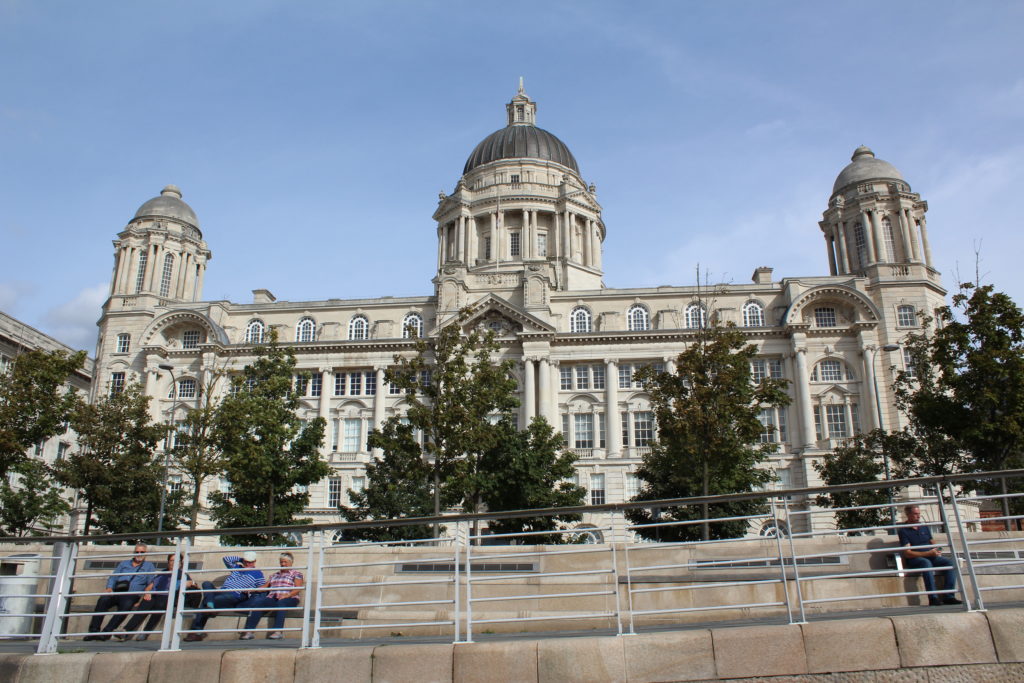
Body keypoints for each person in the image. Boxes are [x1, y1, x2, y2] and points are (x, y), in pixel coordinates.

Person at [182, 551, 264, 641]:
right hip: (221, 591)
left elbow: (262, 588)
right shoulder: (237, 567)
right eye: (246, 561)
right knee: (206, 584)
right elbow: (226, 559)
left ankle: (197, 630)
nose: (248, 564)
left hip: (234, 595)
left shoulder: (258, 573)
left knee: (206, 601)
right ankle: (210, 607)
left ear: (254, 561)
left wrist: (250, 591)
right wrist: (241, 559)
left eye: (250, 562)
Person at [116, 553, 198, 641]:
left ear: (180, 563)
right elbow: (149, 586)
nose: (173, 562)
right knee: (144, 605)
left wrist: (191, 583)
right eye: (171, 560)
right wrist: (147, 593)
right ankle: (126, 631)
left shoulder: (182, 574)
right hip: (154, 594)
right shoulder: (162, 573)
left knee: (160, 605)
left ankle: (145, 632)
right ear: (168, 562)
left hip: (167, 597)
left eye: (176, 560)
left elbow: (193, 585)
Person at [83, 543, 155, 641]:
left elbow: (151, 582)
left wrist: (147, 592)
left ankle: (106, 632)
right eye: (137, 552)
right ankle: (93, 631)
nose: (139, 554)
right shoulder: (124, 564)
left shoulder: (149, 566)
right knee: (102, 600)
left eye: (142, 552)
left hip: (131, 595)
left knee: (126, 606)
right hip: (117, 591)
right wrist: (109, 588)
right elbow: (113, 577)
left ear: (146, 554)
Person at [897, 504, 962, 606]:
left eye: (919, 514)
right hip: (916, 559)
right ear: (908, 514)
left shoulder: (924, 527)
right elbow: (907, 553)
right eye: (915, 514)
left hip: (930, 555)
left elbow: (932, 541)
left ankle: (949, 596)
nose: (918, 516)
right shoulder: (903, 531)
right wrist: (927, 553)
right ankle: (933, 597)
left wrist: (937, 549)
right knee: (926, 563)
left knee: (950, 563)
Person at [239, 552, 304, 640]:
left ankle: (278, 631)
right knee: (260, 603)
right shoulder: (275, 575)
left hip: (289, 597)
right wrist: (251, 589)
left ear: (291, 562)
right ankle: (249, 631)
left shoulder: (296, 574)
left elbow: (298, 588)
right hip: (273, 597)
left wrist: (287, 595)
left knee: (281, 604)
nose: (283, 564)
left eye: (285, 562)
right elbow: (265, 587)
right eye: (281, 562)